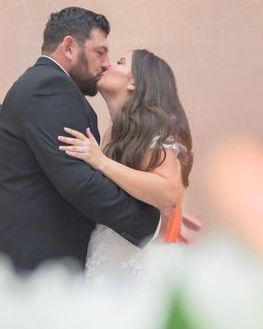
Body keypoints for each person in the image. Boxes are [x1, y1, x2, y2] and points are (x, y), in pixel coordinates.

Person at [0, 7, 161, 274]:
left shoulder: (35, 83)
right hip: (33, 266)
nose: (105, 64)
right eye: (100, 52)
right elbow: (78, 181)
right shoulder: (52, 88)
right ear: (69, 47)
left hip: (19, 261)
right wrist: (148, 221)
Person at [57, 49, 194, 287]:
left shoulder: (152, 129)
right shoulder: (112, 133)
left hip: (133, 271)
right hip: (104, 260)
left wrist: (101, 161)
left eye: (120, 62)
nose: (108, 64)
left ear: (134, 82)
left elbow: (169, 191)